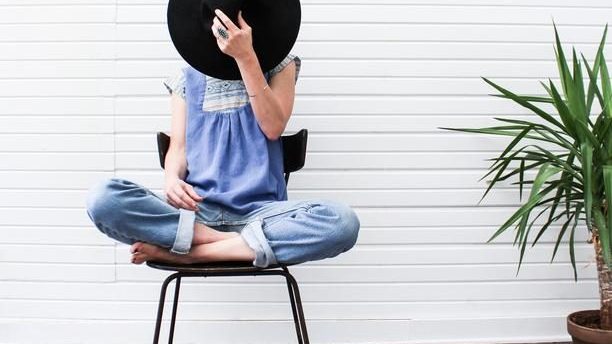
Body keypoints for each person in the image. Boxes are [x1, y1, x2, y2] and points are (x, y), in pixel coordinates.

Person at [85, 7, 360, 268]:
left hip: (261, 216)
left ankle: (192, 255)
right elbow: (178, 149)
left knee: (342, 222)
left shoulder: (279, 66)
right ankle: (228, 244)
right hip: (196, 215)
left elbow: (273, 126)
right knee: (103, 199)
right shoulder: (186, 79)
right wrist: (170, 179)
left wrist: (246, 57)